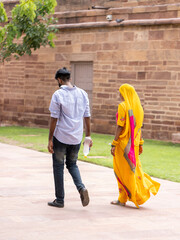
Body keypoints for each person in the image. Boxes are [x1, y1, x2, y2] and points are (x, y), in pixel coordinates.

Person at [47, 67, 92, 208]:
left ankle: (60, 199)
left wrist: (50, 139)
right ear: (69, 78)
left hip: (61, 137)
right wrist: (88, 135)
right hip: (76, 137)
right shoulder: (83, 93)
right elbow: (87, 116)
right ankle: (81, 187)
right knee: (72, 164)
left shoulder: (58, 94)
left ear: (59, 80)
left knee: (58, 166)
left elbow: (54, 118)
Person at [111, 84, 160, 208]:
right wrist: (141, 142)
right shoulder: (138, 108)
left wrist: (114, 143)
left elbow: (120, 126)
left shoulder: (122, 106)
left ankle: (125, 197)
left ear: (125, 93)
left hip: (124, 145)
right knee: (133, 169)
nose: (119, 94)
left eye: (120, 91)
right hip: (135, 143)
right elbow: (138, 127)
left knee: (121, 171)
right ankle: (130, 195)